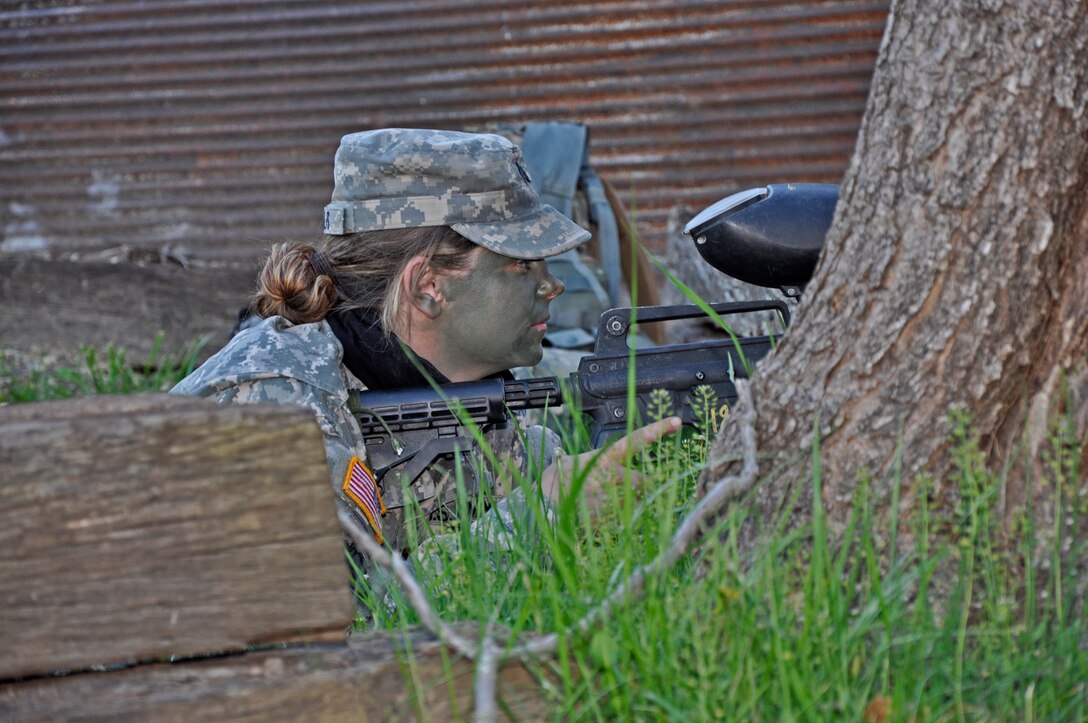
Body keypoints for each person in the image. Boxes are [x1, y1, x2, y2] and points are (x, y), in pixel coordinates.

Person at [171, 128, 679, 590]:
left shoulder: (450, 390)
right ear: (428, 287)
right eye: (522, 264)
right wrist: (539, 519)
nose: (552, 285)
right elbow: (329, 628)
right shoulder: (274, 403)